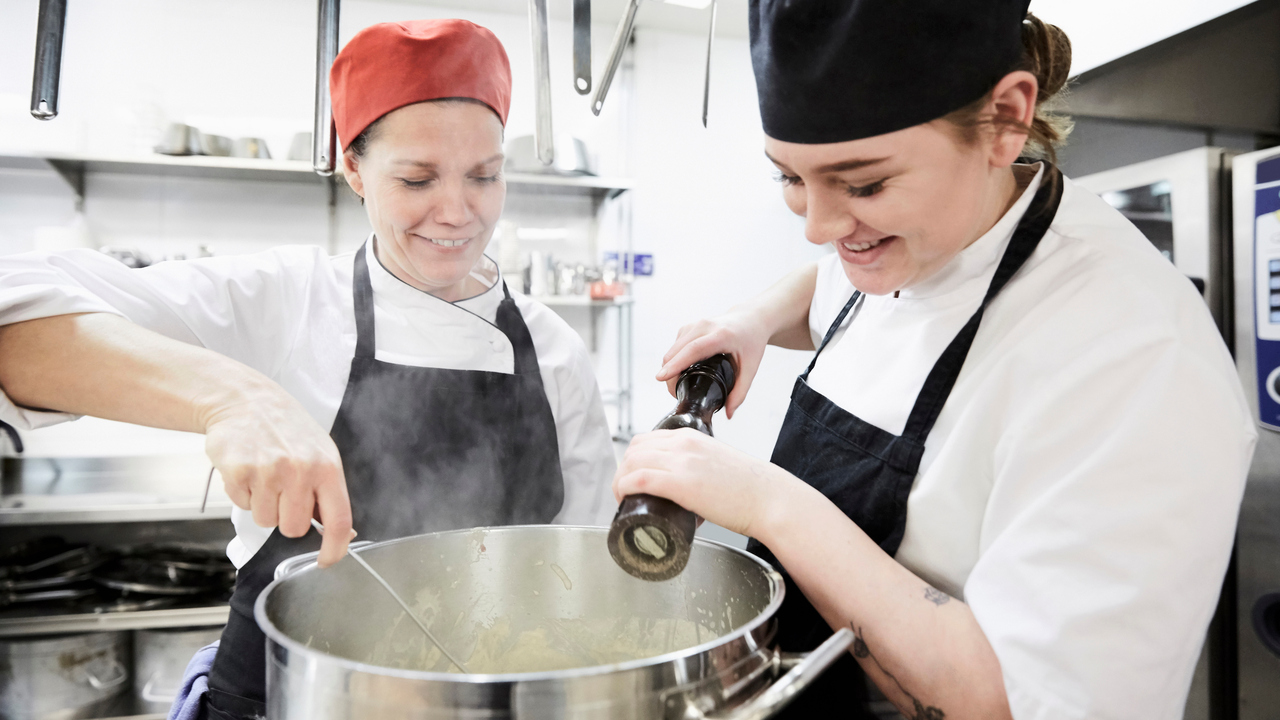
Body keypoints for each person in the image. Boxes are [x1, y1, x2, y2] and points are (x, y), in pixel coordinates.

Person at [612, 2, 1256, 718]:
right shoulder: (911, 243)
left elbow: (1014, 703)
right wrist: (752, 321)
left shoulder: (1135, 357)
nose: (819, 228)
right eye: (790, 178)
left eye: (864, 185)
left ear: (1007, 120)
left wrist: (767, 502)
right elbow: (826, 286)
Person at [0, 19, 615, 720]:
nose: (457, 212)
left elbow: (585, 577)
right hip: (285, 696)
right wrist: (227, 396)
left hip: (492, 699)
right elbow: (13, 315)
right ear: (353, 169)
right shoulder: (285, 300)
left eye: (485, 175)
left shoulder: (554, 348)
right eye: (416, 178)